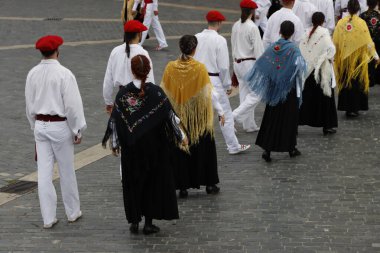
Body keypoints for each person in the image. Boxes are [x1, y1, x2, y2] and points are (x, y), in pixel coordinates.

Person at [102, 55, 185, 235]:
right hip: (155, 148)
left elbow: (116, 121)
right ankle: (148, 223)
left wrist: (115, 143)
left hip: (132, 149)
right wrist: (180, 136)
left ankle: (134, 221)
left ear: (132, 70)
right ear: (148, 70)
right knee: (152, 183)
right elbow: (171, 117)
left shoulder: (123, 95)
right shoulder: (156, 92)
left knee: (133, 182)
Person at [25, 35, 86, 228]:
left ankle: (48, 218)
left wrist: (33, 125)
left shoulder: (32, 73)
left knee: (43, 173)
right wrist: (77, 129)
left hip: (40, 126)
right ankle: (72, 212)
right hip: (60, 126)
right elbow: (72, 106)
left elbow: (29, 104)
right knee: (66, 170)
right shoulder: (64, 74)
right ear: (57, 51)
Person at [161, 35, 224, 198]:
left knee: (180, 149)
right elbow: (209, 93)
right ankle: (209, 183)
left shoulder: (170, 68)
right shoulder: (200, 68)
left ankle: (182, 186)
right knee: (203, 148)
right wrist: (221, 111)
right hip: (198, 117)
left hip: (178, 116)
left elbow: (165, 93)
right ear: (195, 49)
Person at [246, 21, 307, 162]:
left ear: (280, 31)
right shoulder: (294, 49)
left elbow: (264, 62)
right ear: (292, 33)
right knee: (289, 120)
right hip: (288, 90)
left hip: (274, 90)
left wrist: (273, 77)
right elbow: (300, 67)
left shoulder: (274, 47)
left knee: (272, 118)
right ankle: (291, 148)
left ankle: (267, 150)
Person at [194, 10, 251, 155]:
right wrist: (227, 85)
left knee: (199, 113)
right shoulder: (219, 40)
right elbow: (224, 67)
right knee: (225, 113)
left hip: (197, 79)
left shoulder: (196, 37)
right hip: (213, 80)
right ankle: (233, 146)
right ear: (219, 23)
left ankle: (193, 144)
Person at [334, 0, 380, 117]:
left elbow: (336, 42)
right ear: (359, 9)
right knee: (357, 83)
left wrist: (334, 56)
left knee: (346, 82)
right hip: (358, 59)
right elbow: (368, 41)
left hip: (345, 58)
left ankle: (347, 107)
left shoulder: (341, 22)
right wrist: (375, 55)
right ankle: (356, 107)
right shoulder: (361, 23)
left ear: (348, 9)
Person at [299, 12, 338, 135]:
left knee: (304, 99)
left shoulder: (305, 33)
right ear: (323, 21)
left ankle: (296, 123)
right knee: (325, 99)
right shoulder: (324, 33)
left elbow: (301, 49)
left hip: (307, 72)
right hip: (321, 73)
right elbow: (331, 50)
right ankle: (327, 126)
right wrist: (326, 58)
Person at [103, 20, 154, 114]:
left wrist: (108, 102)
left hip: (121, 98)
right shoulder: (143, 53)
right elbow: (149, 81)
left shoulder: (115, 51)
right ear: (139, 34)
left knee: (121, 126)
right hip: (140, 98)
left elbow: (108, 80)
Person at [231, 0, 264, 133]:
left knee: (245, 93)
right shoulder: (252, 27)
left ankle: (249, 125)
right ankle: (234, 115)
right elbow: (259, 50)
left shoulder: (236, 25)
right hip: (249, 63)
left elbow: (233, 45)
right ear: (253, 11)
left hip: (237, 63)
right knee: (257, 94)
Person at [360, 0, 380, 86]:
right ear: (376, 4)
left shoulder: (362, 15)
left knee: (368, 60)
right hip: (378, 41)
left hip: (367, 42)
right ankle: (378, 78)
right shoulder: (379, 15)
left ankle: (369, 79)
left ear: (367, 4)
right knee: (378, 58)